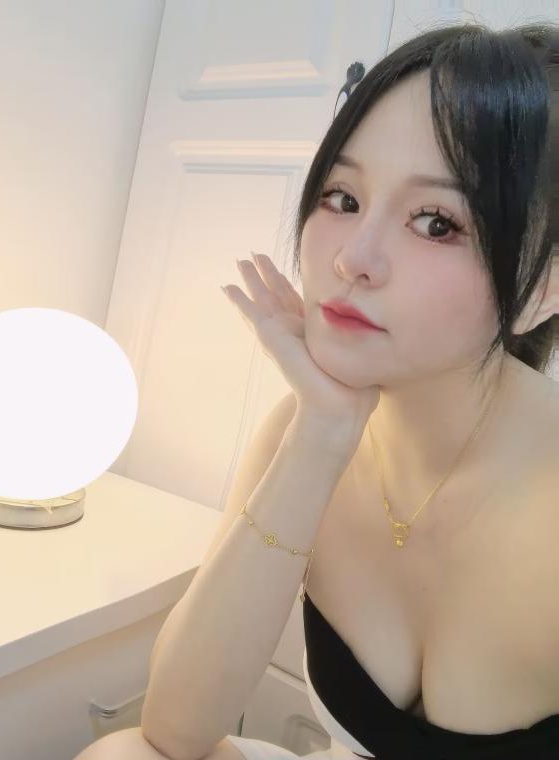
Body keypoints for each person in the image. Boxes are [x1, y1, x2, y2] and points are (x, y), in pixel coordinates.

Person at [75, 19, 559, 760]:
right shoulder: (301, 432)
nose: (353, 259)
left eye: (436, 222)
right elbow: (174, 731)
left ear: (543, 289)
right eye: (342, 196)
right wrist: (321, 435)